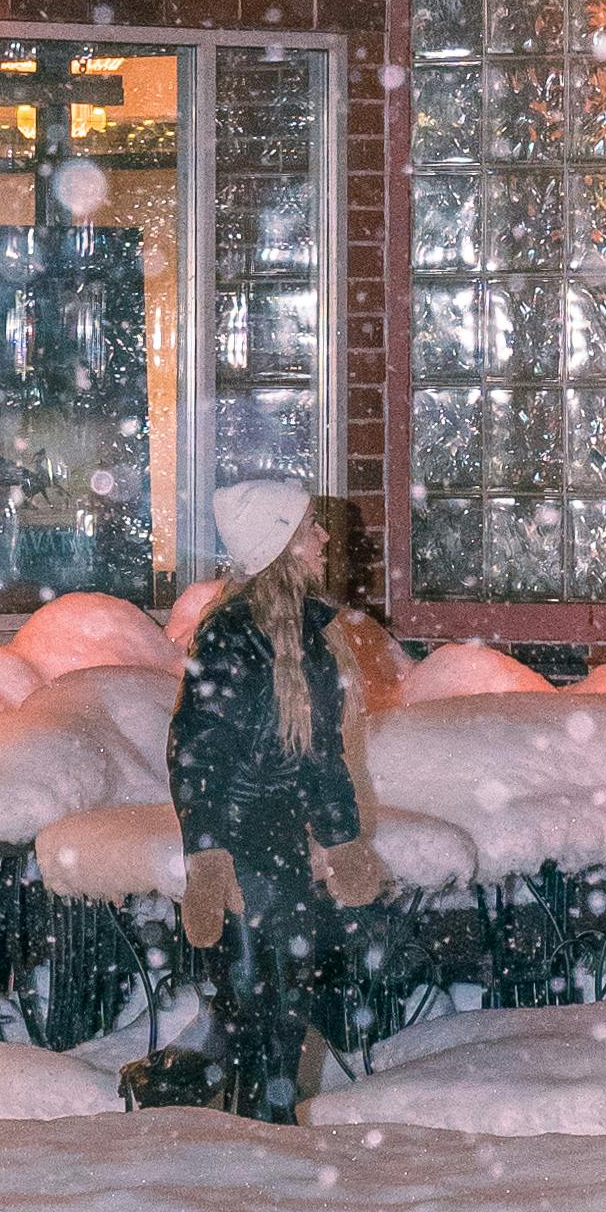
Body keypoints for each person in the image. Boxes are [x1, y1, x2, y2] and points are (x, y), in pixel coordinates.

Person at [160, 481, 389, 1123]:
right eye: (310, 528)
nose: (323, 539)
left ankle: (266, 1150)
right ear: (280, 543)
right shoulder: (229, 636)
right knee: (259, 1011)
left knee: (285, 1010)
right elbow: (198, 749)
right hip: (240, 851)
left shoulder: (311, 636)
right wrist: (208, 858)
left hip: (284, 847)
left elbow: (322, 756)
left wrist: (343, 842)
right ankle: (248, 1148)